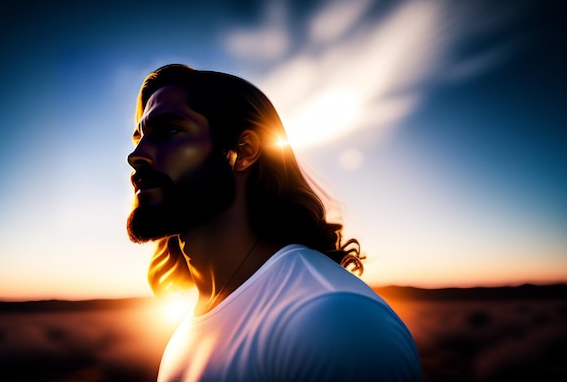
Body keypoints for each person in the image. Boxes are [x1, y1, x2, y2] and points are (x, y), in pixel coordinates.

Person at [126, 63, 422, 382]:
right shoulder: (192, 324)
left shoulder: (334, 320)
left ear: (243, 151)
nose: (136, 155)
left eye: (170, 130)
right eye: (139, 137)